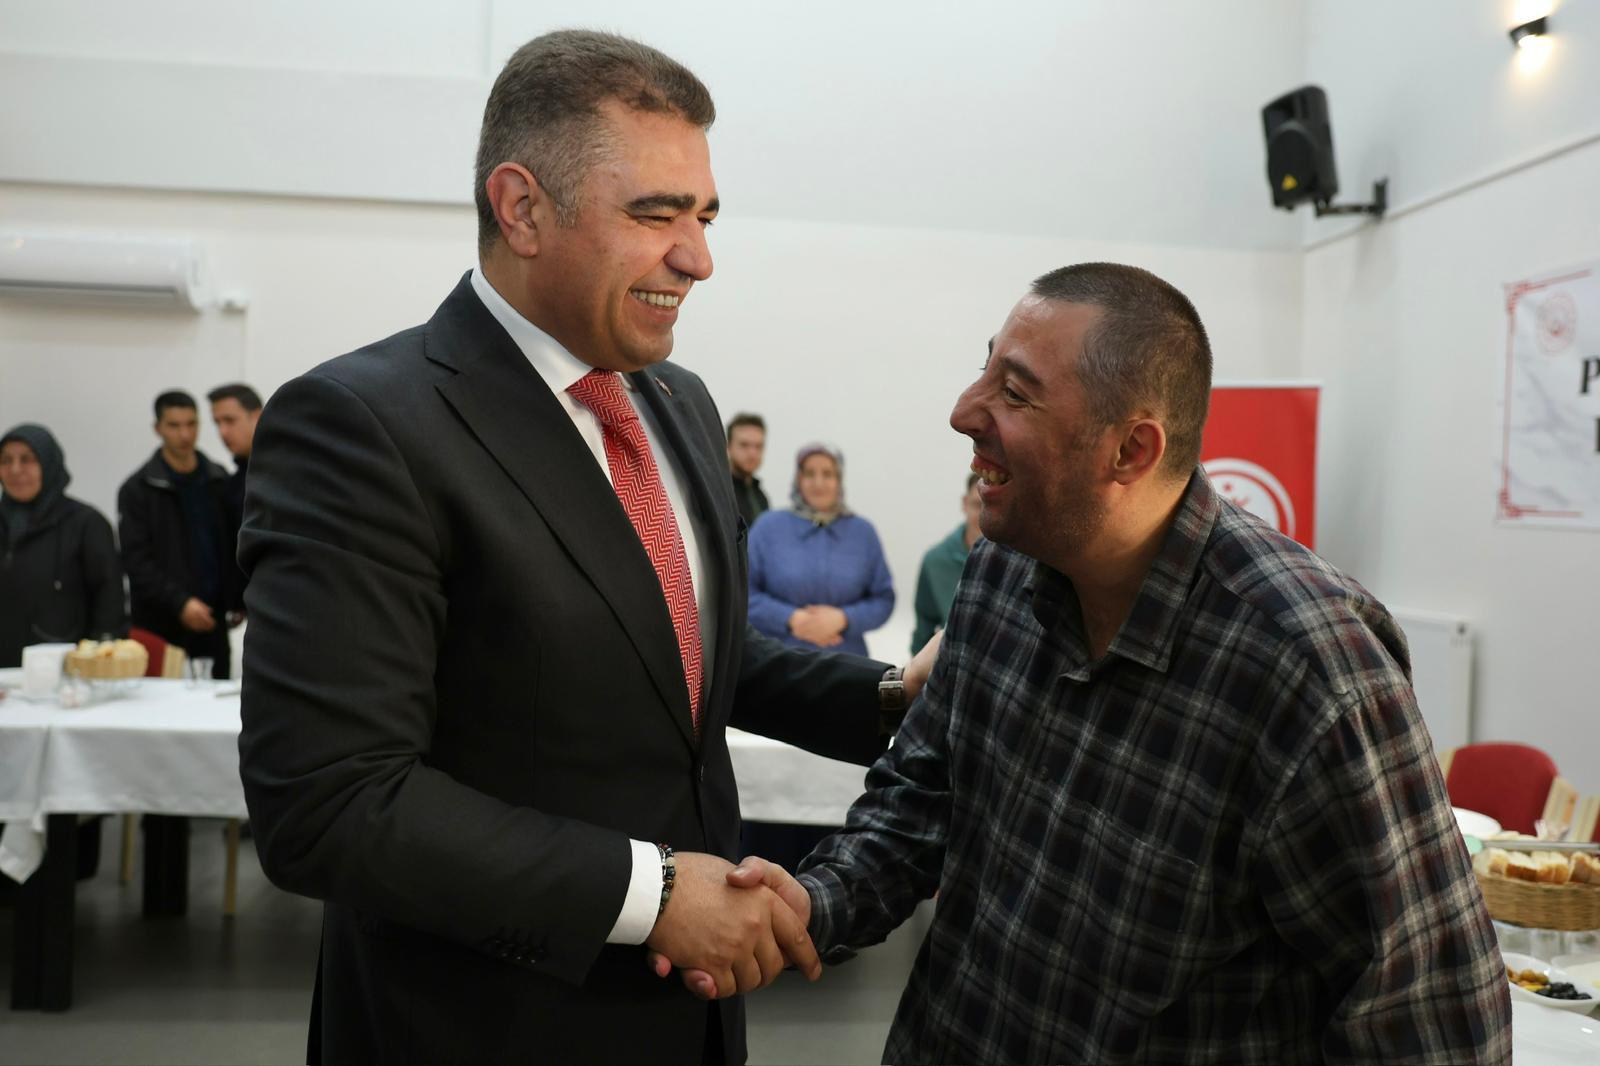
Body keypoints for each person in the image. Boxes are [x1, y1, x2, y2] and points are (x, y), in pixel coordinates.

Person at [236, 30, 933, 1066]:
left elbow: (672, 654)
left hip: (689, 1019)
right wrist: (653, 894)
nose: (698, 257)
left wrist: (884, 698)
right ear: (522, 208)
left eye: (703, 216)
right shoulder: (365, 425)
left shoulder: (676, 402)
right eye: (655, 214)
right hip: (482, 1023)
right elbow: (329, 803)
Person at [688, 264, 1511, 1062]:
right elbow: (923, 797)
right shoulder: (1002, 570)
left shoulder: (1310, 668)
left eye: (1015, 393)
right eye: (985, 370)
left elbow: (1429, 1020)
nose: (964, 411)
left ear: (1130, 451)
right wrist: (815, 903)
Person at [117, 390, 239, 679]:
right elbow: (136, 562)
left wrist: (236, 599)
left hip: (212, 621)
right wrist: (179, 603)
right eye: (174, 425)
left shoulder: (218, 480)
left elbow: (232, 546)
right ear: (158, 428)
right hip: (161, 624)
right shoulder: (138, 490)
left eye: (191, 424)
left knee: (215, 701)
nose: (185, 434)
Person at [746, 444, 894, 657]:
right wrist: (790, 618)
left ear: (839, 479)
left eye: (828, 474)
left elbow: (884, 599)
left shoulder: (863, 533)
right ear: (798, 479)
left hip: (848, 662)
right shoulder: (767, 527)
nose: (818, 483)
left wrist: (844, 618)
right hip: (779, 661)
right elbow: (744, 593)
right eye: (809, 473)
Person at [0, 424, 127, 667]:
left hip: (66, 670)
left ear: (48, 464)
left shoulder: (86, 524)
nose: (15, 470)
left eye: (27, 459)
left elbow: (109, 603)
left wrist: (99, 661)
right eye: (6, 460)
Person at [909, 472, 981, 653]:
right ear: (964, 503)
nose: (984, 515)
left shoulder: (1023, 558)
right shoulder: (935, 561)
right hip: (953, 663)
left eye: (991, 505)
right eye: (977, 505)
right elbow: (924, 628)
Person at [726, 412, 768, 526]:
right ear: (728, 446)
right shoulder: (721, 492)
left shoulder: (761, 496)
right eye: (744, 445)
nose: (752, 453)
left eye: (758, 446)